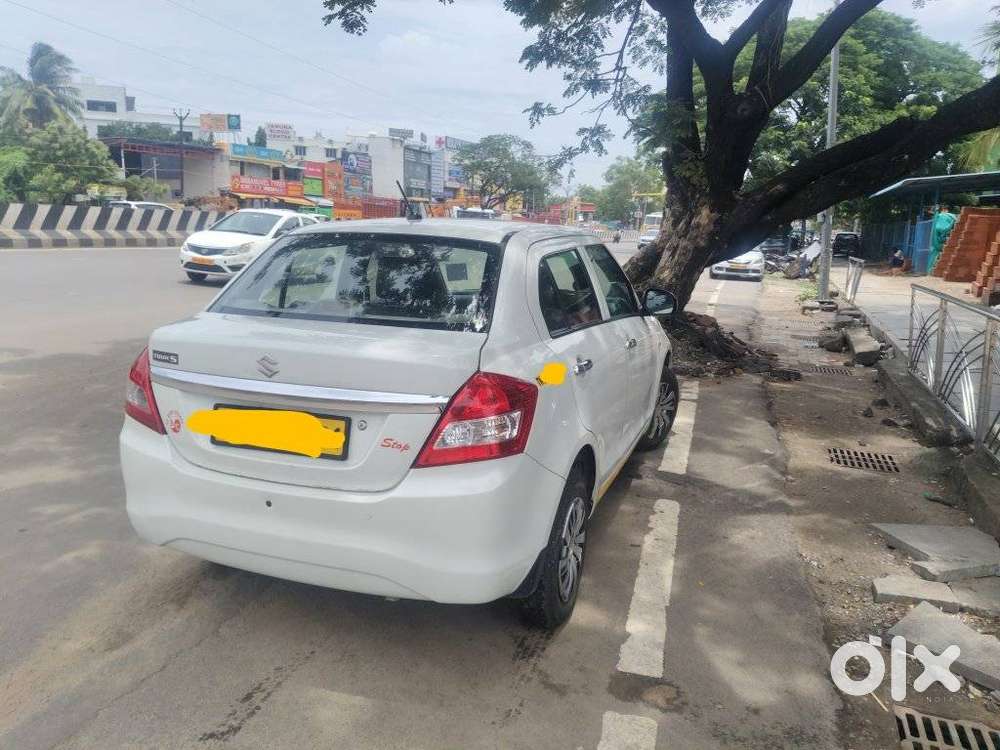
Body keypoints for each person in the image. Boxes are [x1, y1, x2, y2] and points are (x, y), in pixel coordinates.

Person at [928, 205, 957, 274]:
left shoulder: (941, 216)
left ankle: (931, 271)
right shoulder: (954, 217)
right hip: (950, 242)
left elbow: (940, 228)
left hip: (939, 243)